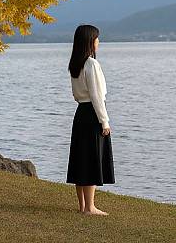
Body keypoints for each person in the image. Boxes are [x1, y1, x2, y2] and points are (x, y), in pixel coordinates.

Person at [66, 24, 115, 215]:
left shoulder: (75, 64)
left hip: (80, 113)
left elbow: (76, 94)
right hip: (92, 113)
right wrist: (105, 121)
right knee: (91, 159)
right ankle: (90, 207)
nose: (99, 42)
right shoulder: (92, 64)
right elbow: (96, 96)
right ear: (90, 41)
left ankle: (82, 206)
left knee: (81, 159)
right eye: (96, 38)